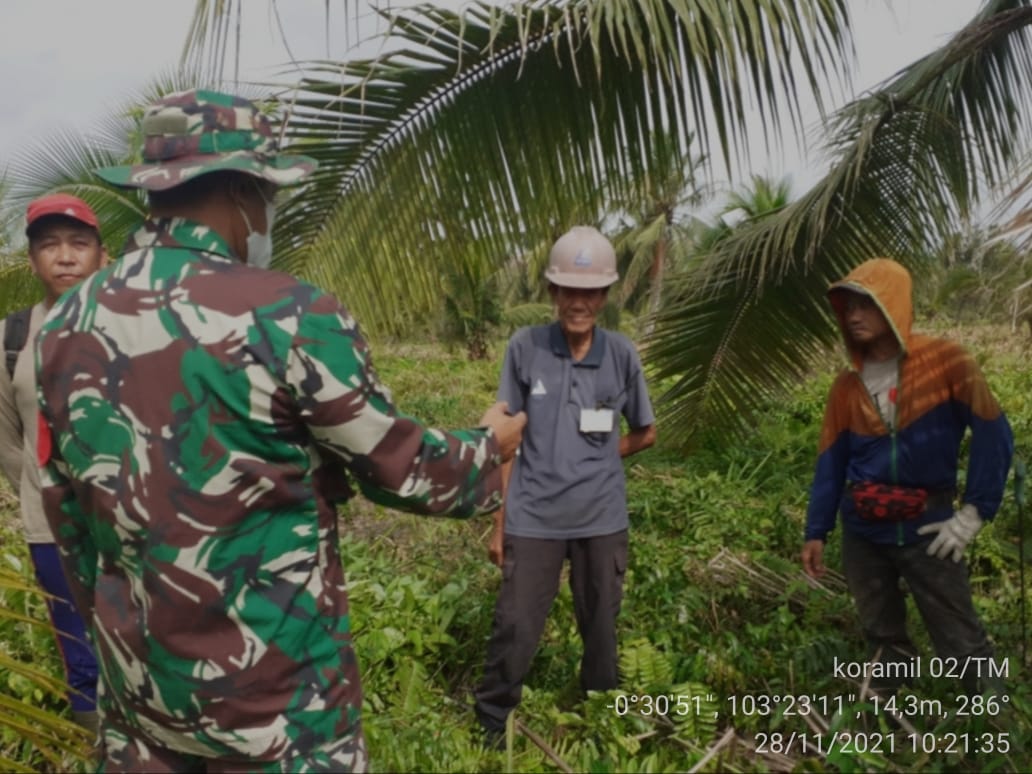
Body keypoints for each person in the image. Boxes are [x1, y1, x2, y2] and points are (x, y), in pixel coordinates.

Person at [34, 89, 526, 773]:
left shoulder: (61, 326)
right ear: (241, 190)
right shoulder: (287, 312)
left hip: (142, 702)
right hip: (278, 712)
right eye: (267, 195)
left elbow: (68, 514)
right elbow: (399, 469)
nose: (266, 216)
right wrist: (489, 450)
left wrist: (121, 643)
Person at [473, 226, 657, 741]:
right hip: (533, 518)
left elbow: (646, 433)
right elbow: (507, 440)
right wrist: (499, 522)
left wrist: (595, 456)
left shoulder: (622, 355)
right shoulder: (525, 348)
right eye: (568, 290)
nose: (579, 302)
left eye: (591, 291)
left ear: (604, 296)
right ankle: (491, 722)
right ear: (552, 292)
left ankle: (600, 718)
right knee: (515, 626)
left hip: (601, 519)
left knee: (600, 627)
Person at [801, 257, 1013, 696]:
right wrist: (816, 529)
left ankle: (991, 729)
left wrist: (973, 513)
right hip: (863, 527)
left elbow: (994, 431)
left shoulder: (947, 361)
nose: (854, 315)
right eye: (848, 307)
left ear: (893, 304)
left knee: (959, 637)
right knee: (881, 630)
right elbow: (831, 461)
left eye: (866, 304)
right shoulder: (847, 385)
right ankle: (887, 720)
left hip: (929, 525)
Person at [0, 193, 106, 736]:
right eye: (49, 246)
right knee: (78, 647)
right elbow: (9, 441)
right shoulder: (11, 339)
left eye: (78, 244)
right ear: (34, 258)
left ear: (101, 256)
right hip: (51, 526)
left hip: (134, 520)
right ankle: (96, 745)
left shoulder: (136, 325)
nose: (65, 257)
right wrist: (50, 491)